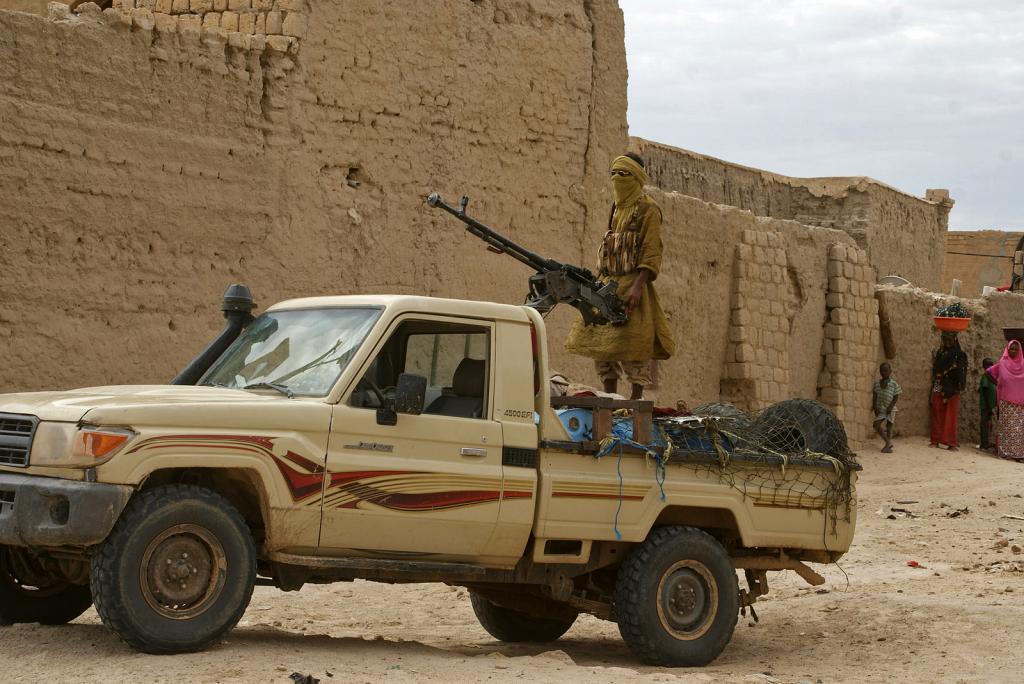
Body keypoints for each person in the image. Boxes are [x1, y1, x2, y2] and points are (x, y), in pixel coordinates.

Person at [565, 153, 675, 399]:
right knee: (601, 343)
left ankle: (636, 400)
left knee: (635, 346)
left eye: (623, 174)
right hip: (608, 283)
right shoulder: (616, 208)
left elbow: (651, 250)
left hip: (632, 286)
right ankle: (610, 399)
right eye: (613, 174)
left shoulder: (648, 209)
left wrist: (638, 287)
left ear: (636, 177)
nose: (617, 179)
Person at [986, 340, 1024, 462]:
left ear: (1019, 351)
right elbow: (988, 373)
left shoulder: (1023, 364)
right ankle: (1005, 452)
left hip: (1020, 402)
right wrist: (997, 384)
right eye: (1011, 349)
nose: (1013, 351)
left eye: (1015, 349)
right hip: (1006, 401)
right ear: (1007, 349)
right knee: (1006, 426)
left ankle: (1018, 454)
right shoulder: (1002, 363)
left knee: (1019, 428)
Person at [930, 331, 966, 450]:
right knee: (936, 411)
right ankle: (935, 440)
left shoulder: (959, 355)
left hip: (953, 387)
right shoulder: (940, 353)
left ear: (955, 340)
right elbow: (935, 369)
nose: (947, 343)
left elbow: (962, 372)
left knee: (951, 415)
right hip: (939, 385)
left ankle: (951, 443)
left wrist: (959, 385)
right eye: (945, 340)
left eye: (950, 340)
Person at [872, 362, 901, 453]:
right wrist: (875, 407)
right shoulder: (877, 384)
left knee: (889, 426)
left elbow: (896, 396)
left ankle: (888, 445)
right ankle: (888, 442)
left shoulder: (894, 384)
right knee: (876, 425)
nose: (883, 372)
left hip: (890, 409)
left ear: (890, 371)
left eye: (885, 370)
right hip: (881, 408)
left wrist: (890, 407)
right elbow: (875, 396)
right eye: (882, 371)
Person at [978, 357, 997, 452]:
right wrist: (989, 406)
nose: (989, 367)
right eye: (987, 365)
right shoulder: (986, 376)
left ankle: (986, 443)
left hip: (989, 406)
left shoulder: (991, 377)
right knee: (984, 424)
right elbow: (985, 391)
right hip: (986, 406)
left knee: (987, 424)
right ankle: (984, 444)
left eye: (991, 365)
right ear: (983, 367)